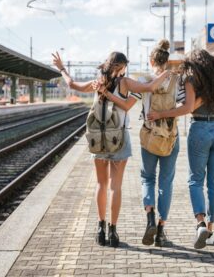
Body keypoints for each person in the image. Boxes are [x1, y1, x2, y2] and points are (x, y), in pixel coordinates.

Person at [52, 51, 170, 247]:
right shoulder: (125, 83)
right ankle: (113, 232)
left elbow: (72, 84)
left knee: (101, 184)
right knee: (115, 187)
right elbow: (149, 87)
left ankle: (100, 229)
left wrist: (62, 68)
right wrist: (167, 73)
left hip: (98, 139)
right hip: (119, 139)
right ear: (121, 66)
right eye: (124, 67)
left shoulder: (97, 82)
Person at [147, 49, 214, 249]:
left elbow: (188, 107)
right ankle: (210, 228)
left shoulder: (191, 78)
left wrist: (162, 114)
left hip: (199, 128)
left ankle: (200, 223)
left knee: (195, 180)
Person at [100, 40, 191, 247]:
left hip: (148, 136)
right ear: (167, 61)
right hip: (169, 137)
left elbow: (130, 102)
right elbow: (185, 106)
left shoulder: (143, 79)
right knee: (165, 183)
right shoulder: (177, 80)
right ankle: (160, 230)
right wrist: (166, 113)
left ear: (151, 61)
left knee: (147, 179)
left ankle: (149, 215)